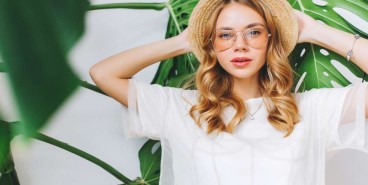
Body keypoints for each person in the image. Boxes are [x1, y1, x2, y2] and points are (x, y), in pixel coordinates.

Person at [89, 0, 368, 184]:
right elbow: (103, 74)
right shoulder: (183, 109)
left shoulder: (310, 110)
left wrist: (315, 31)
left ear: (270, 39)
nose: (240, 45)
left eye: (253, 32)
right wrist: (185, 41)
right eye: (225, 35)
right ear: (212, 44)